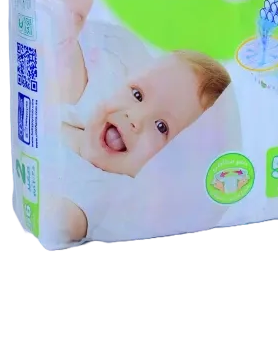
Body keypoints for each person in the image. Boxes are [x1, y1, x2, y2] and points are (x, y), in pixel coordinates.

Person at [52, 50, 231, 242]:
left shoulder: (105, 192)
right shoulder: (80, 117)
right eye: (137, 95)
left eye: (161, 127)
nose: (135, 118)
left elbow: (64, 222)